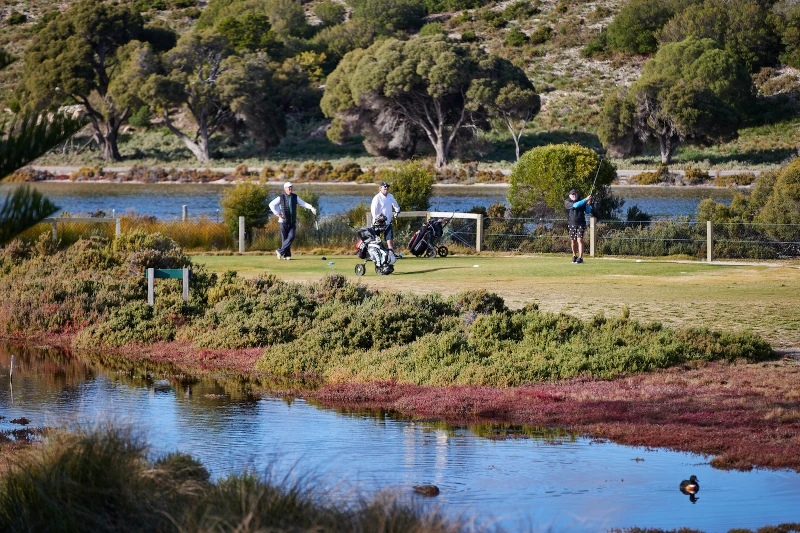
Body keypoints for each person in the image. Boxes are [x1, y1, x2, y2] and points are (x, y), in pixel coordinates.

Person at [269, 182, 316, 260]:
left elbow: (303, 203)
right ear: (285, 189)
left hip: (292, 221)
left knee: (291, 237)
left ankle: (280, 251)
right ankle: (287, 255)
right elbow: (271, 205)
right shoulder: (280, 197)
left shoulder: (295, 197)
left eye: (291, 187)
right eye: (288, 187)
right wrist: (278, 213)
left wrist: (311, 208)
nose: (290, 189)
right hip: (283, 221)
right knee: (284, 239)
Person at [370, 181, 400, 252]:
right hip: (378, 223)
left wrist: (397, 210)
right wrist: (377, 218)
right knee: (376, 241)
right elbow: (373, 210)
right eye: (384, 187)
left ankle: (391, 254)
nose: (386, 188)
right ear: (380, 188)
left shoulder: (390, 196)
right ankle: (376, 254)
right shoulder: (377, 197)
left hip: (388, 222)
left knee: (389, 240)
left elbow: (395, 204)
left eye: (387, 187)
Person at [565, 188, 592, 264]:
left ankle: (580, 258)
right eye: (572, 194)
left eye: (575, 194)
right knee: (573, 241)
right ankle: (574, 256)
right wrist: (585, 199)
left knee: (580, 240)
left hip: (581, 223)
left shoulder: (582, 202)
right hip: (572, 224)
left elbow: (588, 211)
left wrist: (588, 204)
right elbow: (575, 205)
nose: (574, 195)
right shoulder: (567, 202)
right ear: (570, 195)